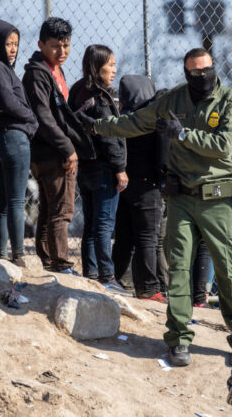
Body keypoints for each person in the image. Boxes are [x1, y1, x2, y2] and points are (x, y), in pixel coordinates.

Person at [81, 48, 232, 367]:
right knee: (179, 270)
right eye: (194, 73)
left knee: (229, 269)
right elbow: (137, 121)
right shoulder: (174, 99)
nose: (202, 78)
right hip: (182, 198)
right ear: (186, 73)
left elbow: (222, 146)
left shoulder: (230, 101)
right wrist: (96, 126)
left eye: (206, 71)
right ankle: (178, 339)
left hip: (218, 197)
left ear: (214, 68)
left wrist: (183, 134)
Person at [23, 17, 94, 273]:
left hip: (53, 150)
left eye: (66, 46)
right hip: (51, 152)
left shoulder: (55, 69)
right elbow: (43, 117)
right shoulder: (37, 73)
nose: (62, 52)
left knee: (50, 208)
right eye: (55, 46)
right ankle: (61, 263)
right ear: (41, 44)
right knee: (62, 210)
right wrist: (67, 148)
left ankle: (48, 260)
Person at [0, 19, 38, 266]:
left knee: (3, 202)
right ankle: (19, 255)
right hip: (13, 137)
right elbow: (8, 101)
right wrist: (32, 118)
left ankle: (2, 256)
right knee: (15, 201)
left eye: (15, 44)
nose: (13, 49)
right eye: (8, 43)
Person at [68, 45, 127, 286]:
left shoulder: (77, 90)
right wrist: (120, 168)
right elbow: (108, 136)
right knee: (104, 224)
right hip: (104, 167)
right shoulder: (101, 98)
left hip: (85, 167)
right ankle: (107, 276)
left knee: (91, 225)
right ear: (97, 66)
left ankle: (91, 274)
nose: (114, 69)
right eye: (110, 64)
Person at [111, 75, 168, 302]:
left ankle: (120, 281)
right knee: (147, 237)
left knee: (124, 236)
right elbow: (162, 156)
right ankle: (148, 288)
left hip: (124, 186)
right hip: (148, 186)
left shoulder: (122, 119)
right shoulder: (152, 119)